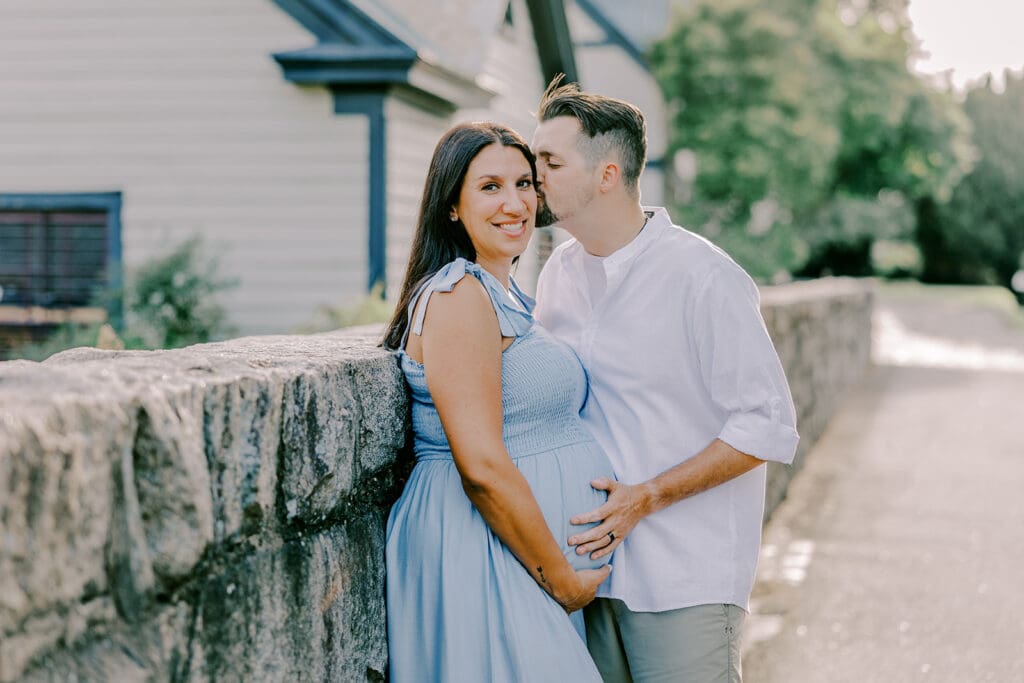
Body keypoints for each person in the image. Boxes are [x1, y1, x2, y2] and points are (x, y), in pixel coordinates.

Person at [531, 77, 800, 682]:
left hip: (686, 575)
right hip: (588, 571)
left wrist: (647, 497)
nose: (535, 174)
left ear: (607, 174)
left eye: (550, 160)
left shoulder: (704, 277)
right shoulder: (557, 275)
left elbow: (766, 425)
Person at [382, 122, 615, 682]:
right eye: (490, 187)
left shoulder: (507, 294)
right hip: (483, 546)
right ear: (453, 207)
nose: (515, 204)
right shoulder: (460, 293)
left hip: (519, 552)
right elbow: (482, 466)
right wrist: (559, 577)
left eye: (524, 184)